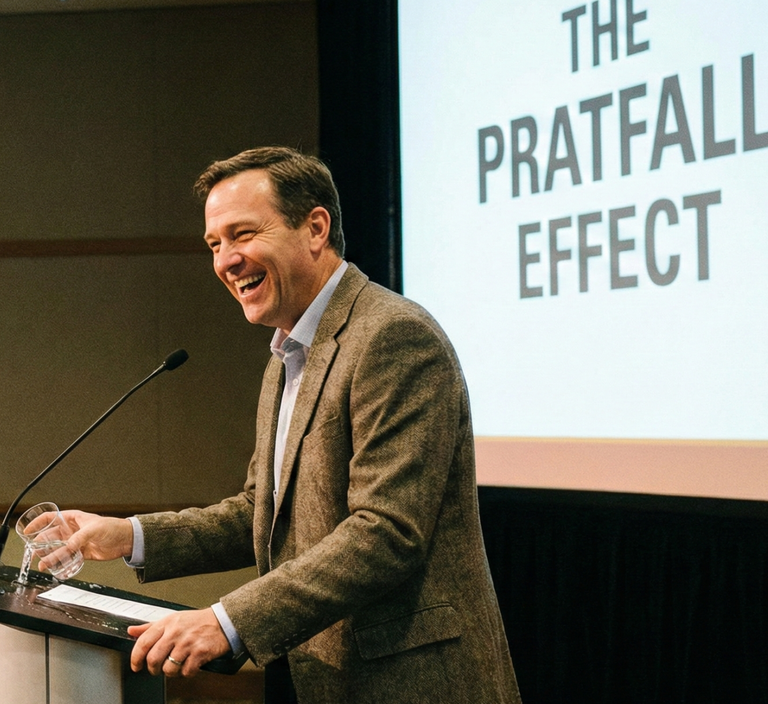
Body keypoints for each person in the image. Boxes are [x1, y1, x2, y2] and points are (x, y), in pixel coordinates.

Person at [62, 148, 520, 703]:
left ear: (316, 228)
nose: (227, 260)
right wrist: (129, 536)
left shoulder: (392, 337)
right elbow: (262, 512)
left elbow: (386, 532)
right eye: (215, 244)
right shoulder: (288, 354)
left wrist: (226, 620)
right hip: (324, 677)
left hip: (411, 683)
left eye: (243, 234)